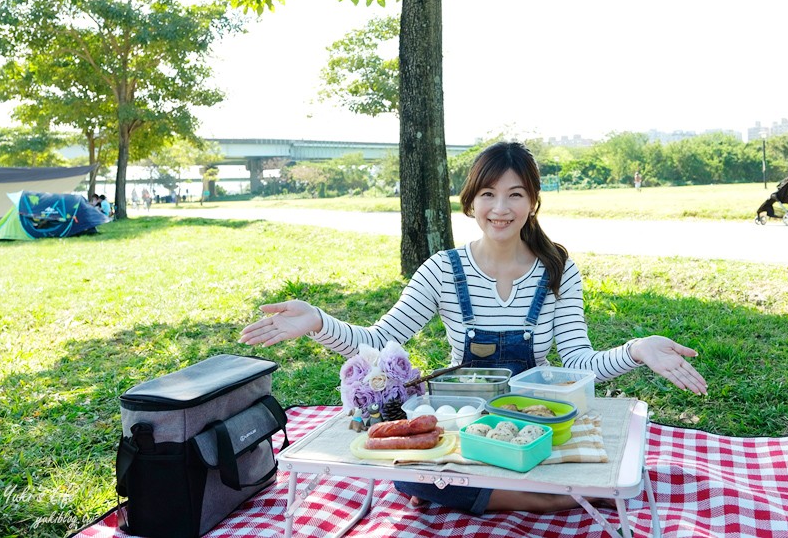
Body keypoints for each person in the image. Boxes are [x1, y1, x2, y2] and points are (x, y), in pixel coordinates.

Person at [240, 141, 707, 515]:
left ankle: (500, 490)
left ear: (533, 202)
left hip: (533, 421)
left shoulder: (556, 268)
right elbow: (382, 342)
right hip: (460, 422)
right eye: (488, 194)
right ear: (471, 202)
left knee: (485, 471)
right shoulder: (443, 270)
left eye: (515, 194)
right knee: (408, 476)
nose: (500, 208)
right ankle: (555, 499)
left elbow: (579, 363)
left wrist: (637, 350)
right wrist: (320, 321)